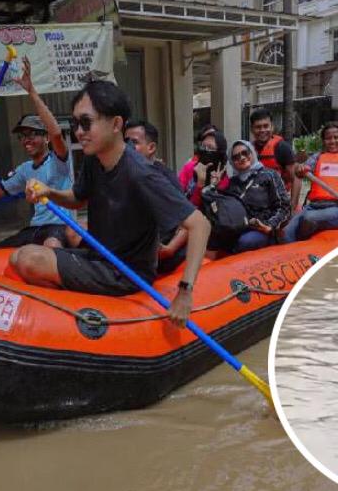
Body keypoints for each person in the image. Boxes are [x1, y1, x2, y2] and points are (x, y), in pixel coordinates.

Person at [12, 80, 212, 324]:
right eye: (75, 124)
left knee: (28, 259)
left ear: (116, 124)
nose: (78, 132)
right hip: (100, 256)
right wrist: (48, 191)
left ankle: (74, 318)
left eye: (86, 122)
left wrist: (185, 291)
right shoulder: (95, 160)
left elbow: (200, 224)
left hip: (125, 273)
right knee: (17, 257)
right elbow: (76, 199)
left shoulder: (141, 174)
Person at [0, 57, 71, 249]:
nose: (26, 140)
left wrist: (31, 92)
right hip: (34, 228)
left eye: (32, 134)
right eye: (22, 136)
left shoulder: (59, 161)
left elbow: (57, 134)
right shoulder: (25, 169)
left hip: (58, 227)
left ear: (45, 138)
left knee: (52, 246)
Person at [124, 120, 187, 274]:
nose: (127, 148)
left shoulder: (165, 179)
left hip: (161, 257)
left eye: (134, 143)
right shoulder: (122, 176)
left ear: (151, 148)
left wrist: (169, 249)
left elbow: (188, 223)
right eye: (125, 142)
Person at [208, 140, 291, 253]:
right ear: (232, 162)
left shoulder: (270, 175)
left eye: (245, 153)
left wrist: (269, 226)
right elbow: (221, 210)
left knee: (245, 242)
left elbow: (284, 207)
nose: (241, 158)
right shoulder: (232, 183)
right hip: (237, 229)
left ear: (252, 153)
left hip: (262, 229)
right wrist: (213, 186)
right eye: (236, 157)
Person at [250, 107, 301, 210]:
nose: (262, 130)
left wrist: (292, 208)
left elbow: (296, 179)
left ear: (272, 127)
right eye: (258, 127)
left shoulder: (282, 147)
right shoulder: (248, 150)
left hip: (279, 201)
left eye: (266, 126)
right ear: (252, 129)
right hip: (255, 202)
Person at [177, 126, 228, 208]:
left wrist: (213, 187)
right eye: (203, 147)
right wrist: (199, 184)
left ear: (219, 153)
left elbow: (217, 211)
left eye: (210, 148)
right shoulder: (189, 167)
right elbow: (178, 199)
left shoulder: (223, 178)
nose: (205, 151)